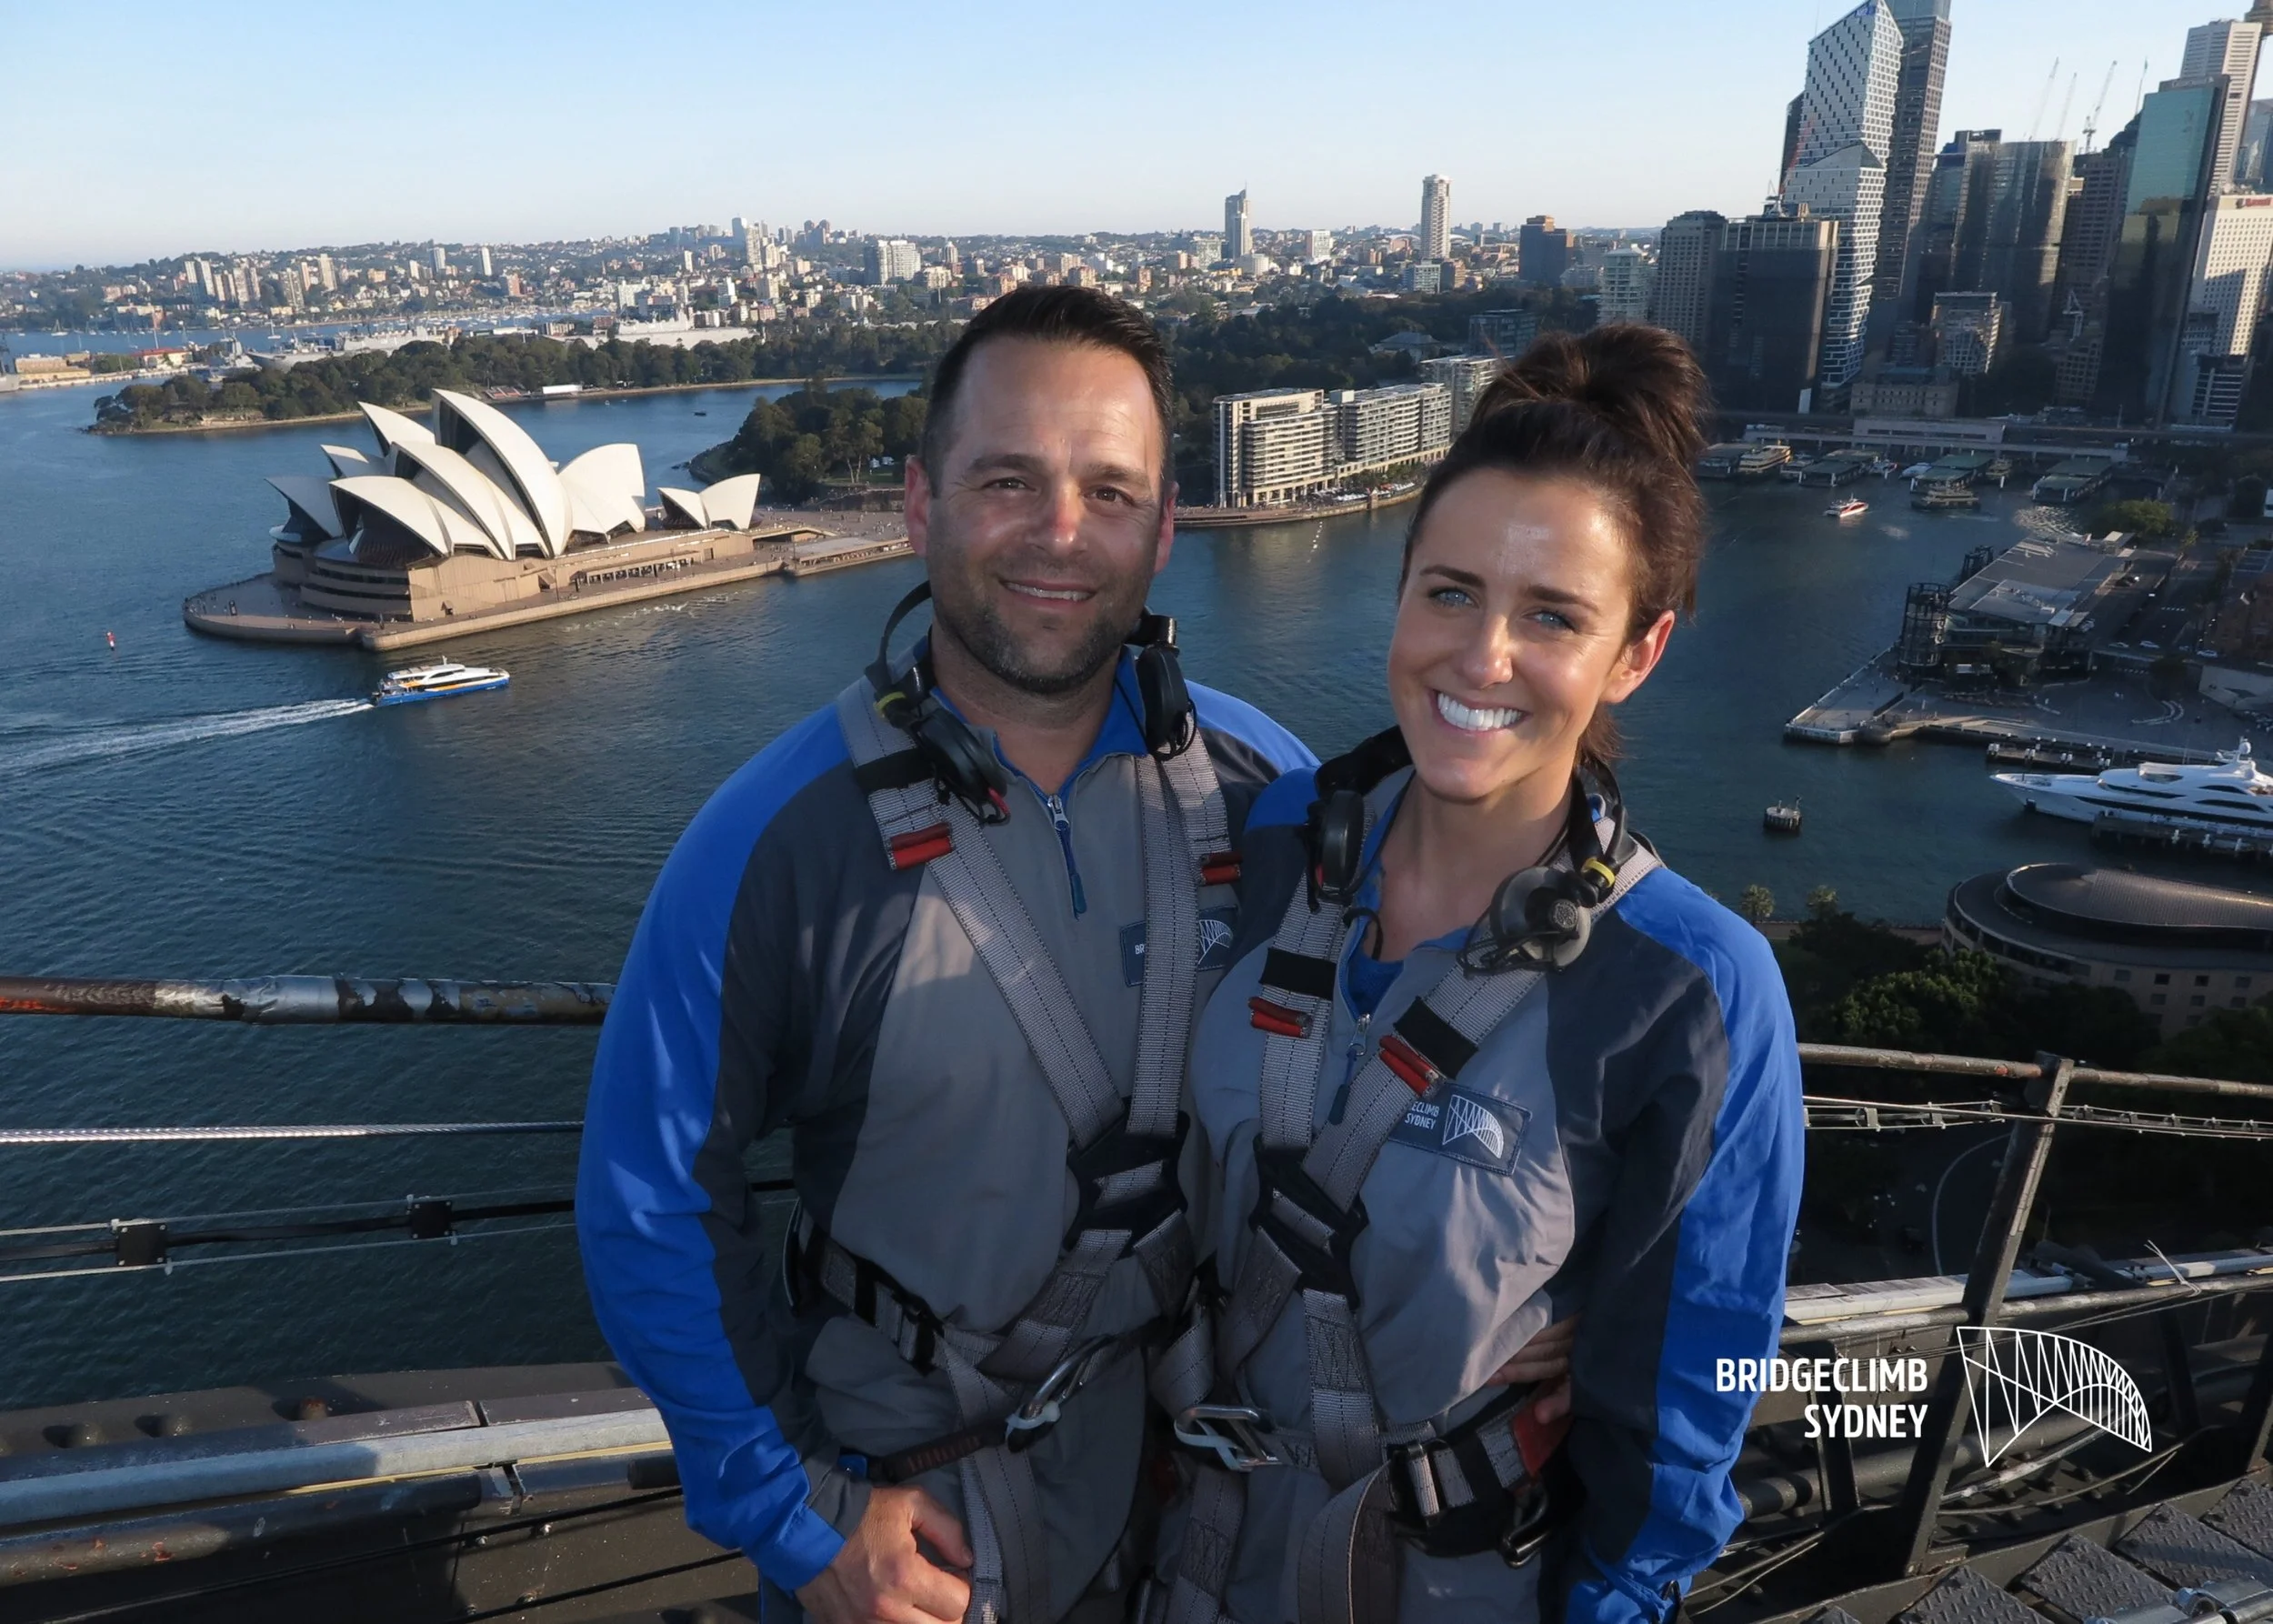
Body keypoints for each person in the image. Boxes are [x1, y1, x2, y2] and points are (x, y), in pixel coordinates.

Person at [576, 286, 1317, 1624]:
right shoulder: (775, 841)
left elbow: (1426, 1033)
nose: (1058, 532)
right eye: (1008, 480)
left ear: (1164, 527)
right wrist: (796, 1516)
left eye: (1110, 490)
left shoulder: (1264, 793)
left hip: (1196, 1489)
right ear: (920, 506)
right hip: (910, 1533)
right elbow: (653, 1199)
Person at [1165, 327, 1805, 1624]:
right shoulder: (1282, 837)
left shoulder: (1689, 992)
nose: (1482, 657)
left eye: (1554, 616)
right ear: (1397, 593)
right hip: (1185, 1549)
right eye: (1449, 591)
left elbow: (1680, 1425)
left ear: (1639, 650)